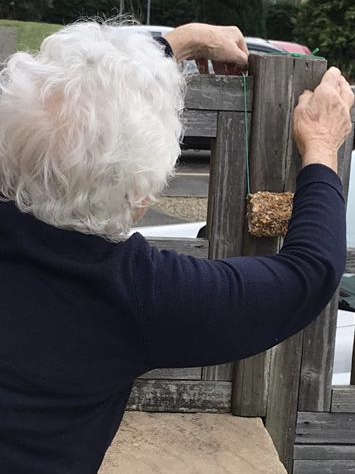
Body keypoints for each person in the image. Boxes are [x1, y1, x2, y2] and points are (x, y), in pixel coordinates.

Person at [0, 20, 353, 474]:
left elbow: (65, 98)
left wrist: (178, 42)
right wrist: (322, 146)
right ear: (140, 198)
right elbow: (309, 273)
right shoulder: (136, 294)